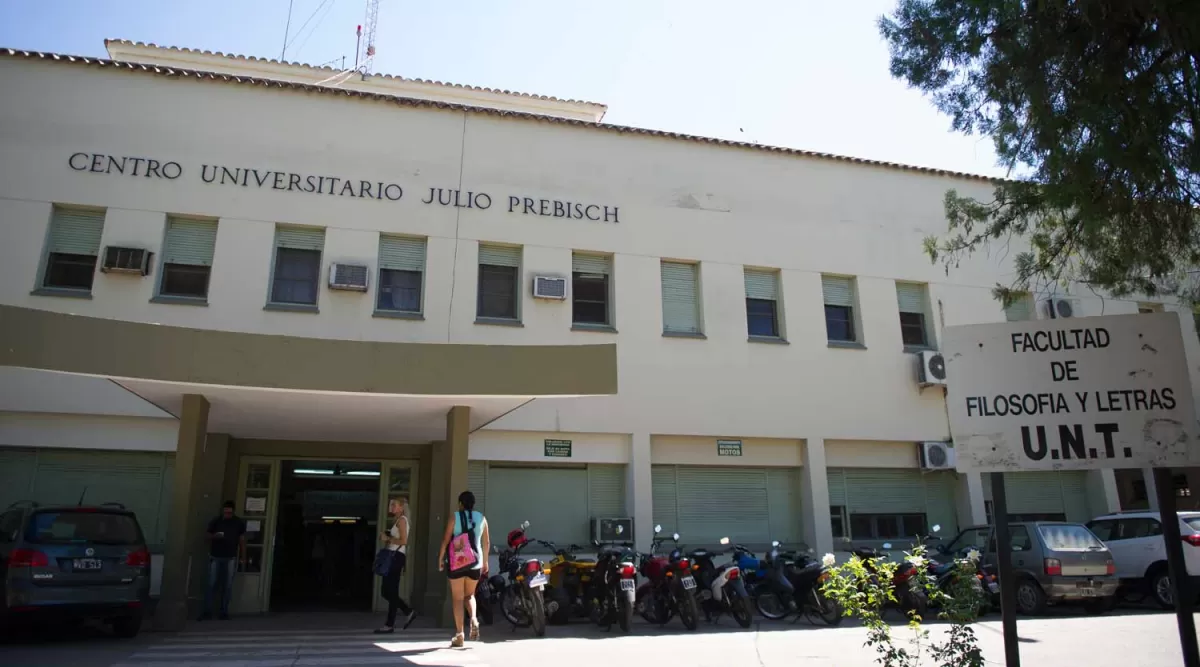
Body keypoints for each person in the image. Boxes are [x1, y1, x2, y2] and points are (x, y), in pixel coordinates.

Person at [437, 490, 489, 648]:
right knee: (470, 595)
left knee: (457, 598)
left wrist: (440, 558)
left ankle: (459, 634)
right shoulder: (482, 518)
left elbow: (446, 540)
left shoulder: (455, 517)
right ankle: (473, 618)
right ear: (473, 504)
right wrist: (485, 562)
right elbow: (486, 543)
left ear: (460, 503)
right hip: (475, 563)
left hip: (457, 562)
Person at [374, 497, 417, 633]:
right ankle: (407, 612)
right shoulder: (397, 521)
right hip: (394, 556)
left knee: (389, 590)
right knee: (387, 591)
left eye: (394, 505)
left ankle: (390, 624)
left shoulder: (402, 521)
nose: (391, 506)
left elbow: (404, 540)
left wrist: (387, 538)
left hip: (396, 557)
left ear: (401, 507)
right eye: (390, 504)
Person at [200, 500, 246, 620]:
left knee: (228, 586)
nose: (227, 515)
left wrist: (243, 557)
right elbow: (206, 535)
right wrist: (215, 536)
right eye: (225, 513)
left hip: (231, 557)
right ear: (222, 511)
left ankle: (224, 612)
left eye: (229, 513)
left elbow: (242, 540)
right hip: (215, 556)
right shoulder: (216, 521)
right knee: (211, 584)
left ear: (233, 512)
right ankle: (207, 611)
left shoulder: (238, 523)